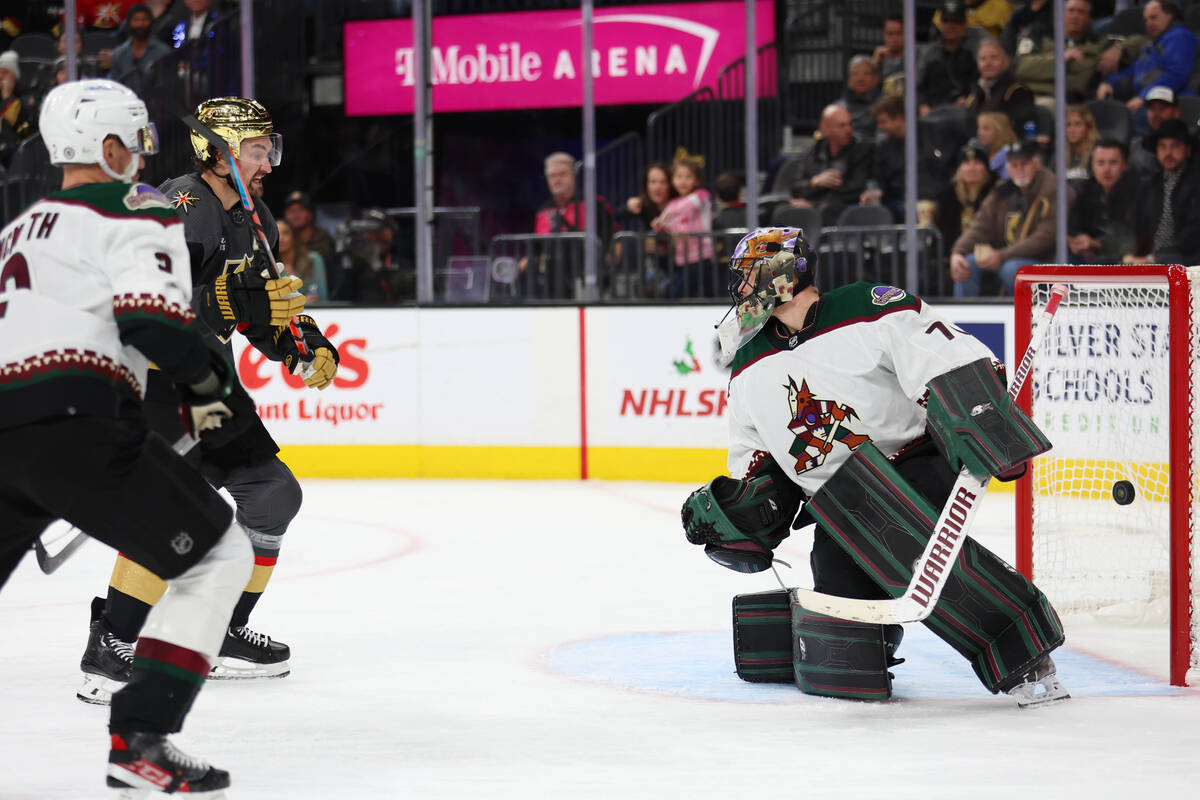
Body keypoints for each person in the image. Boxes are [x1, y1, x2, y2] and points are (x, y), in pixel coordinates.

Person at [682, 227, 1068, 707]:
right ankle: (874, 649)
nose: (740, 291)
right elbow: (759, 459)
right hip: (839, 501)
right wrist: (743, 511)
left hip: (914, 463)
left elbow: (947, 356)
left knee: (893, 538)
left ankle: (1023, 649)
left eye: (748, 277)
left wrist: (980, 418)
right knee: (840, 602)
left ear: (783, 274)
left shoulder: (868, 306)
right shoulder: (746, 365)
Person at [0, 78, 255, 796]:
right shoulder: (133, 210)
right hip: (77, 429)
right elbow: (152, 320)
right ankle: (141, 741)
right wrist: (211, 389)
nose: (145, 156)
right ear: (109, 148)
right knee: (219, 555)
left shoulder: (16, 230)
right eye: (138, 141)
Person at [77, 95, 341, 705]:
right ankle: (112, 644)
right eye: (255, 150)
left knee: (272, 495)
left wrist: (304, 345)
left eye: (269, 148)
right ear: (216, 153)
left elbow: (259, 309)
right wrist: (223, 302)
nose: (268, 162)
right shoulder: (174, 207)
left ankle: (221, 631)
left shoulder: (259, 221)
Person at [949, 138, 1067, 296]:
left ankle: (1023, 318)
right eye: (1014, 165)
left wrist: (1002, 256)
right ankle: (962, 318)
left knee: (1014, 270)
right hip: (1006, 258)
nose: (1019, 170)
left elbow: (1046, 236)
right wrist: (958, 252)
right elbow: (980, 226)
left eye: (1024, 164)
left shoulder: (1053, 189)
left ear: (1036, 163)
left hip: (1046, 261)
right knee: (967, 264)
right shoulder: (1002, 191)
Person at [526, 151, 617, 298]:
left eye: (562, 174)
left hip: (587, 279)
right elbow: (536, 250)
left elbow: (611, 241)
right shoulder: (543, 211)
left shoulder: (594, 204)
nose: (557, 180)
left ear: (573, 175)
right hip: (550, 283)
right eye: (552, 176)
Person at [1097, 1, 1197, 132]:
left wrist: (1143, 97)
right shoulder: (1152, 43)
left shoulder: (1179, 36)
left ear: (1169, 16)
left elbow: (1176, 74)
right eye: (1146, 19)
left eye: (1154, 17)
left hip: (1169, 100)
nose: (1149, 23)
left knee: (1122, 119)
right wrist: (1109, 83)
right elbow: (1134, 69)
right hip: (1146, 99)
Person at [1128, 118, 1200, 264]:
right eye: (1163, 147)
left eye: (1175, 146)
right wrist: (1127, 251)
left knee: (1165, 259)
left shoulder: (1196, 182)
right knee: (1107, 260)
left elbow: (1194, 231)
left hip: (1188, 257)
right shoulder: (1150, 184)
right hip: (1151, 256)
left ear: (1188, 150)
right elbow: (1134, 222)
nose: (1168, 153)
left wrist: (1152, 258)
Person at [789, 104, 875, 225]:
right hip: (814, 204)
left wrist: (814, 205)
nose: (849, 130)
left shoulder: (861, 151)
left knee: (827, 209)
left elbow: (856, 187)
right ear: (825, 128)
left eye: (850, 124)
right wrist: (814, 182)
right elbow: (795, 187)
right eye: (842, 125)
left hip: (845, 209)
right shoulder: (813, 152)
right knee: (783, 209)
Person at [1013, 0, 1105, 105]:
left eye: (1080, 12)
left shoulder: (1096, 44)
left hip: (1063, 103)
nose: (1075, 16)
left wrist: (1040, 67)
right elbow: (1021, 67)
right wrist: (1061, 59)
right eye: (1070, 11)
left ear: (1089, 19)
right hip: (1028, 95)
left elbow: (1081, 80)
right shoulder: (1039, 34)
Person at [652, 154, 717, 298]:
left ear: (697, 180)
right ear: (673, 180)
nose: (683, 181)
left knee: (697, 296)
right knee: (679, 295)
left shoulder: (701, 195)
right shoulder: (673, 203)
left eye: (688, 177)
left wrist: (668, 220)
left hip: (702, 257)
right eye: (679, 177)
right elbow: (661, 224)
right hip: (682, 260)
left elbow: (687, 206)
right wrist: (659, 225)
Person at [1068, 138, 1139, 264]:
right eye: (1100, 163)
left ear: (1124, 165)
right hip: (1089, 255)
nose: (1106, 169)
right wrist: (1079, 240)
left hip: (1122, 257)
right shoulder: (1086, 190)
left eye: (1113, 163)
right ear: (1093, 166)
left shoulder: (1136, 192)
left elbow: (1129, 238)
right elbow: (1073, 226)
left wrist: (1095, 244)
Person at [933, 141, 997, 267]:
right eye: (966, 163)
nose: (971, 168)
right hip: (952, 254)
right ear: (959, 169)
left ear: (986, 168)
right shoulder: (947, 195)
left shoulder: (995, 193)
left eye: (977, 163)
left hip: (987, 253)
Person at [916, 0, 984, 114]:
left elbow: (982, 83)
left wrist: (969, 99)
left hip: (965, 112)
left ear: (965, 24)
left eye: (956, 22)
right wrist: (922, 105)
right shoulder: (928, 53)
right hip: (931, 112)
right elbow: (917, 86)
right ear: (939, 23)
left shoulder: (976, 50)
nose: (950, 26)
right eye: (946, 21)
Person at [964, 38, 1036, 133]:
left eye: (994, 58)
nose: (987, 63)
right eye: (983, 59)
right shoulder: (974, 94)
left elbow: (1023, 127)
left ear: (1006, 62)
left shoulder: (1017, 92)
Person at [107, 3, 170, 96]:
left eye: (144, 20)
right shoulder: (119, 53)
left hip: (155, 105)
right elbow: (113, 85)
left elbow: (167, 85)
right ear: (129, 23)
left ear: (151, 22)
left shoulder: (163, 52)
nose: (140, 24)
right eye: (136, 20)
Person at [1129, 85, 1180, 175]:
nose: (1156, 114)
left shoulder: (1186, 146)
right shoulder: (1136, 145)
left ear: (1176, 112)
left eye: (1161, 108)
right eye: (1152, 109)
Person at [282, 189, 337, 271]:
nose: (296, 214)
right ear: (285, 215)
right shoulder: (282, 241)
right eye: (291, 210)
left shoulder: (324, 241)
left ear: (310, 214)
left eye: (301, 209)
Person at [278, 218, 329, 303]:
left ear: (294, 236)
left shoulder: (314, 259)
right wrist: (302, 301)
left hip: (315, 314)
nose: (280, 238)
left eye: (285, 233)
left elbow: (323, 296)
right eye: (276, 234)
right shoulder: (268, 266)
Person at [837, 55, 882, 140]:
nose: (860, 78)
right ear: (849, 80)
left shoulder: (884, 105)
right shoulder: (839, 107)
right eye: (855, 74)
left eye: (867, 73)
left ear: (876, 78)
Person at [0, 49, 32, 167]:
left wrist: (7, 97)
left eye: (5, 73)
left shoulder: (27, 98)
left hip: (16, 156)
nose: (1, 77)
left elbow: (13, 123)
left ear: (15, 76)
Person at [623, 160, 676, 229]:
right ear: (646, 184)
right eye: (653, 182)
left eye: (663, 182)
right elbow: (618, 214)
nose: (657, 188)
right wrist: (629, 207)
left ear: (670, 184)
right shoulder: (642, 205)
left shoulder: (680, 204)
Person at [1059, 104, 1100, 185]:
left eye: (1078, 124)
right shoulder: (1060, 153)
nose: (1072, 130)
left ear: (1088, 127)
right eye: (1068, 125)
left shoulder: (1098, 152)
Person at [976, 110, 1018, 179]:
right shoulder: (983, 152)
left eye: (986, 129)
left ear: (1001, 131)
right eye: (979, 128)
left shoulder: (1011, 153)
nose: (980, 133)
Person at [873, 13, 906, 80]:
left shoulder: (917, 57)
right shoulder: (879, 57)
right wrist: (875, 64)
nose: (894, 38)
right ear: (884, 35)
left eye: (899, 33)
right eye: (890, 34)